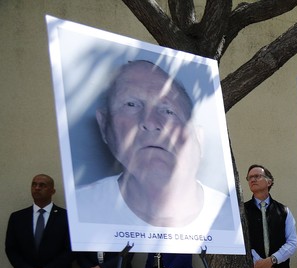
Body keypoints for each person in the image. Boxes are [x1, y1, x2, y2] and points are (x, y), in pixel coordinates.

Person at [77, 60, 234, 230]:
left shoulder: (228, 215)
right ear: (104, 124)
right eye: (131, 104)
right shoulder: (81, 208)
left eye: (168, 111)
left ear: (198, 137)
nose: (150, 122)